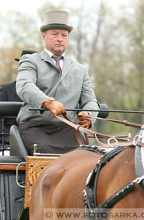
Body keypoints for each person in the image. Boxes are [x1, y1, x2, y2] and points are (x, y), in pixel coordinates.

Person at [16, 10, 99, 155]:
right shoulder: (31, 61)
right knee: (45, 154)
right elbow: (24, 86)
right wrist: (47, 102)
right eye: (55, 34)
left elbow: (91, 100)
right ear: (44, 36)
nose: (60, 39)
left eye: (64, 35)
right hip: (35, 127)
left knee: (86, 157)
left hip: (68, 129)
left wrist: (89, 115)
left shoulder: (80, 69)